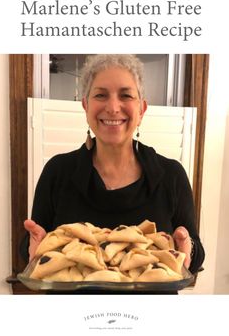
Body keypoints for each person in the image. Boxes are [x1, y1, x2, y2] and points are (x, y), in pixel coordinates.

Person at [21, 54, 205, 292]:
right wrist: (34, 247)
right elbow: (35, 243)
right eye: (100, 95)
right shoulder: (58, 172)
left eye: (126, 95)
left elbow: (195, 252)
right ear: (86, 105)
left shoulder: (171, 175)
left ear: (142, 108)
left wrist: (186, 245)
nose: (113, 107)